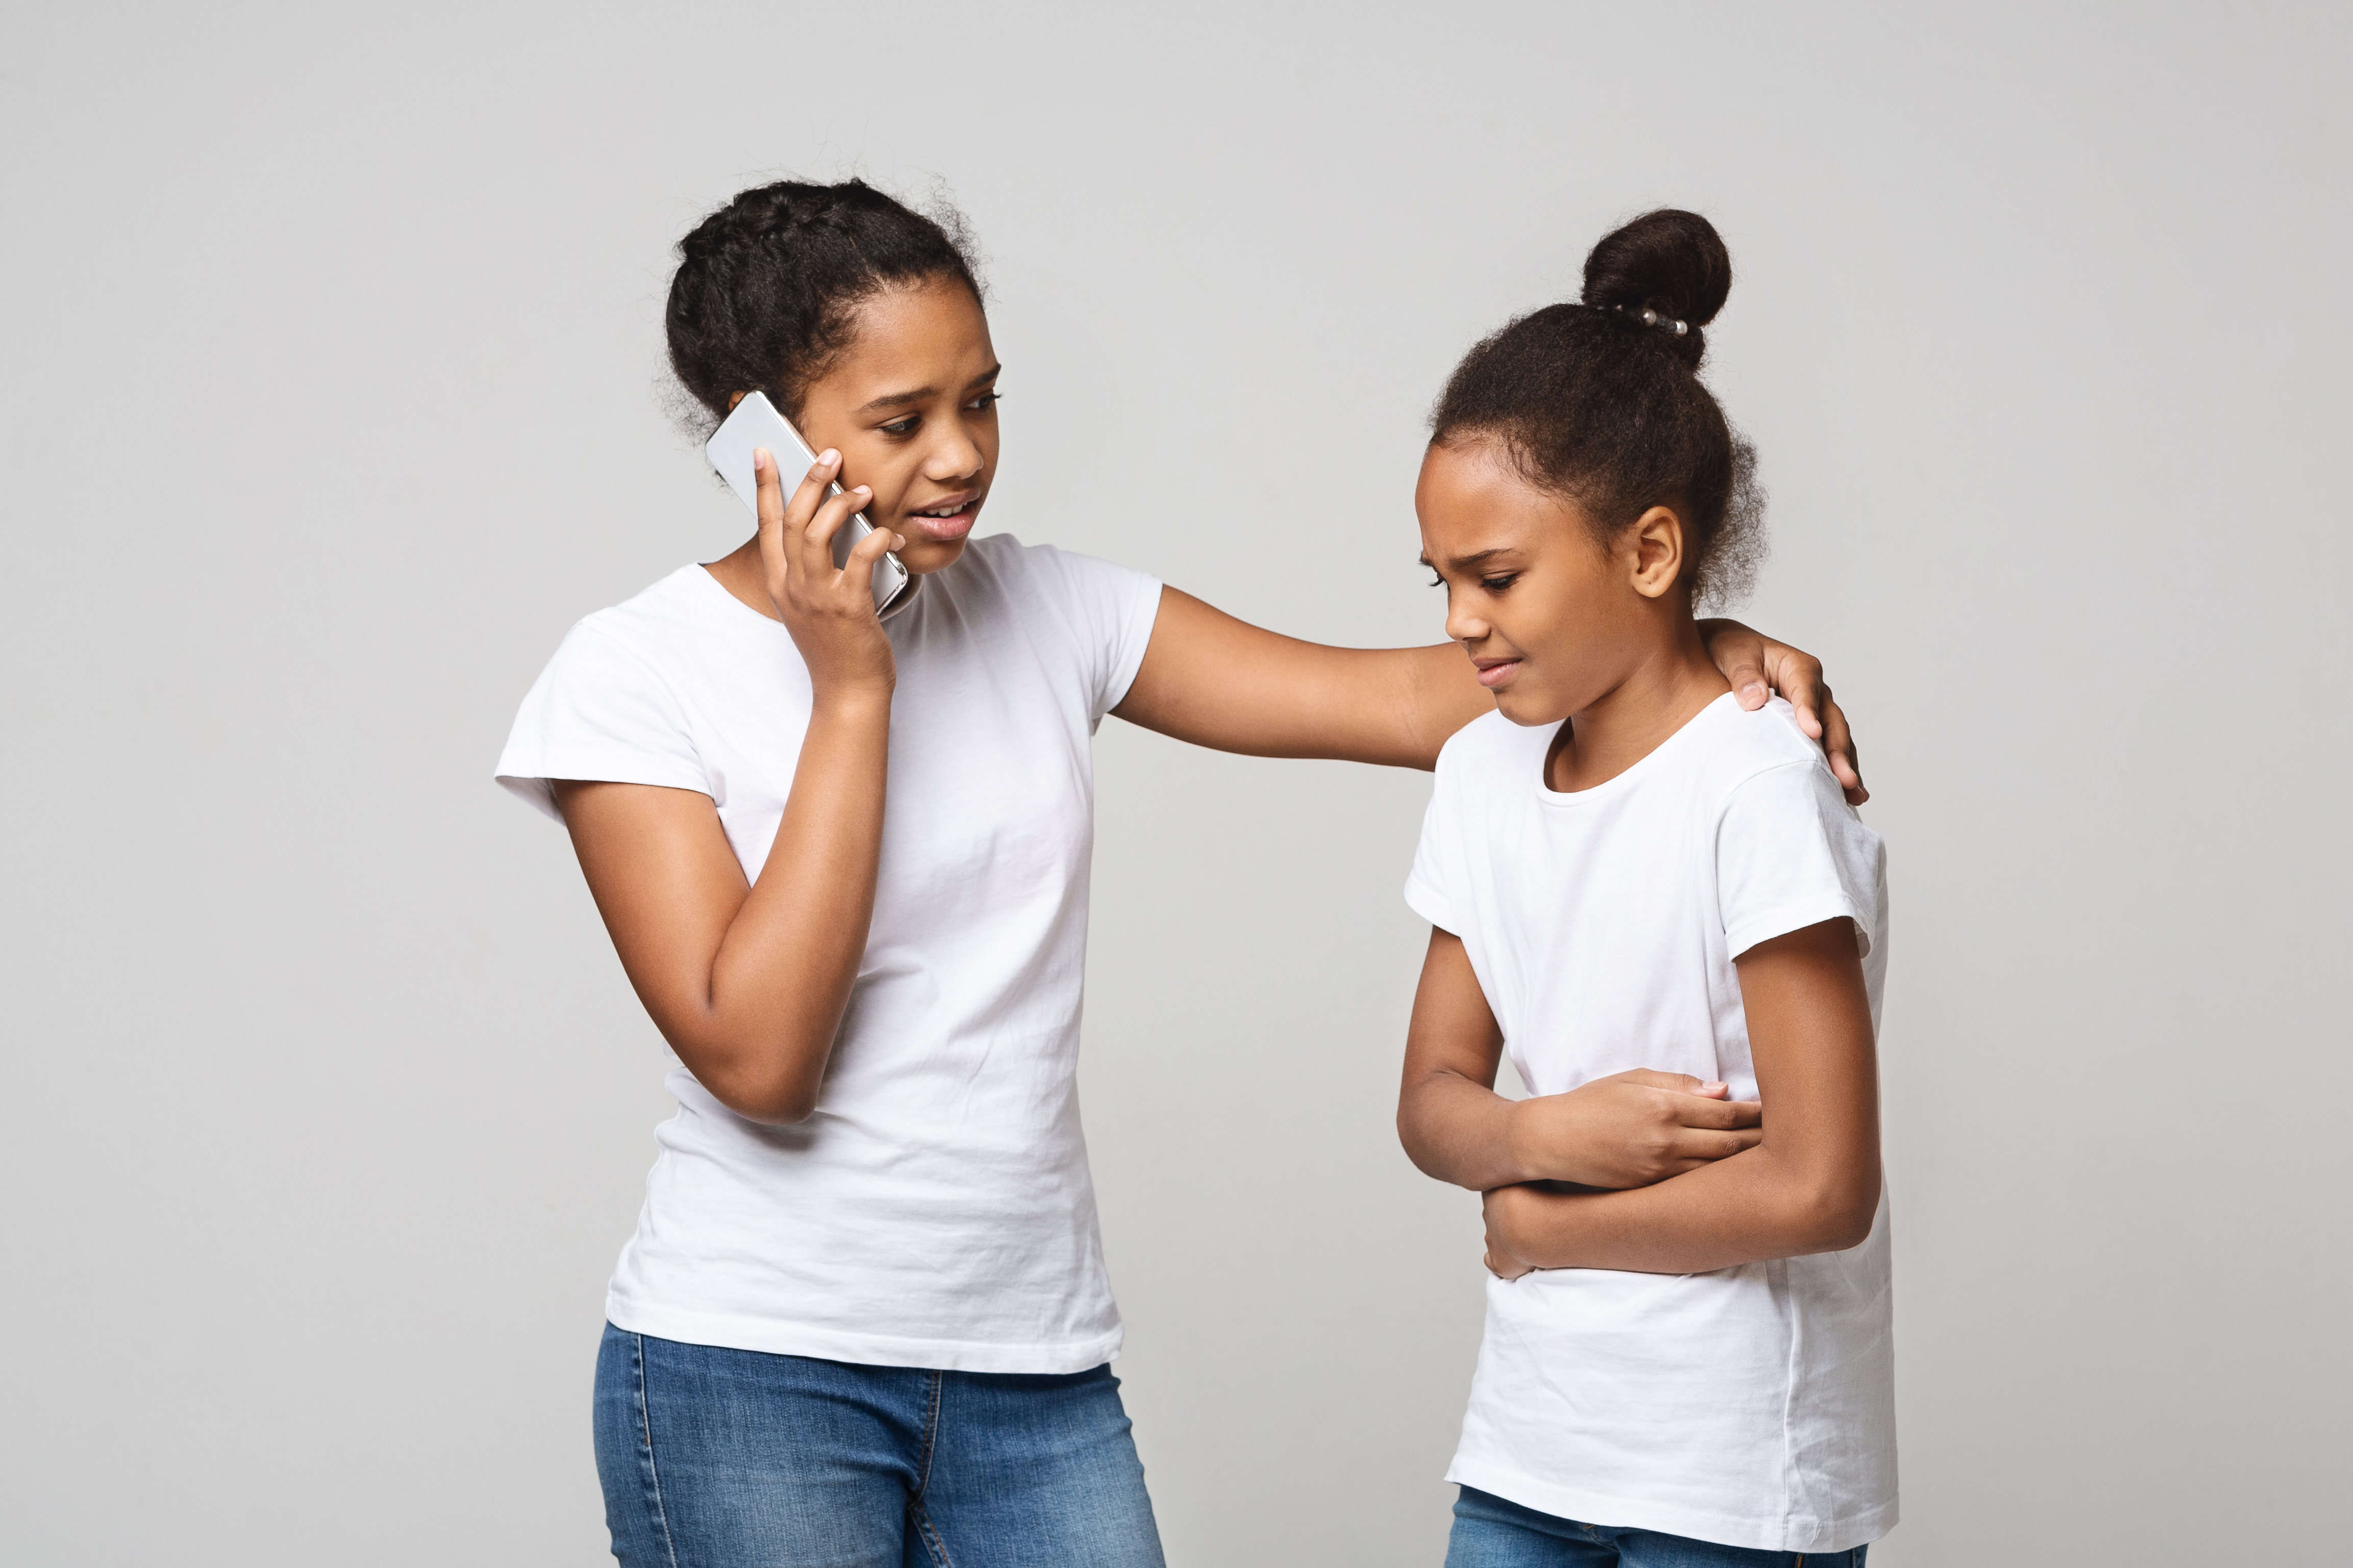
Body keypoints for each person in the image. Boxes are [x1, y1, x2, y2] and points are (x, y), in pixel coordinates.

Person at [494, 179, 1863, 1567]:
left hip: (1030, 1365)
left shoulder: (1047, 610)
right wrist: (854, 687)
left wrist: (1691, 647)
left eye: (982, 400)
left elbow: (1404, 703)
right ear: (756, 435)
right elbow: (761, 1056)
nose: (963, 454)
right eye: (903, 421)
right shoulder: (635, 672)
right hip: (749, 1365)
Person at [1396, 209, 1894, 1567]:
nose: (1454, 619)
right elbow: (1432, 1099)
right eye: (1439, 578)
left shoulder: (1755, 786)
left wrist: (1546, 1219)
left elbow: (1818, 1185)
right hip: (1523, 1453)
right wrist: (1539, 1137)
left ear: (1651, 555)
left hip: (1732, 1481)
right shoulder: (1477, 773)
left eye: (1493, 576)